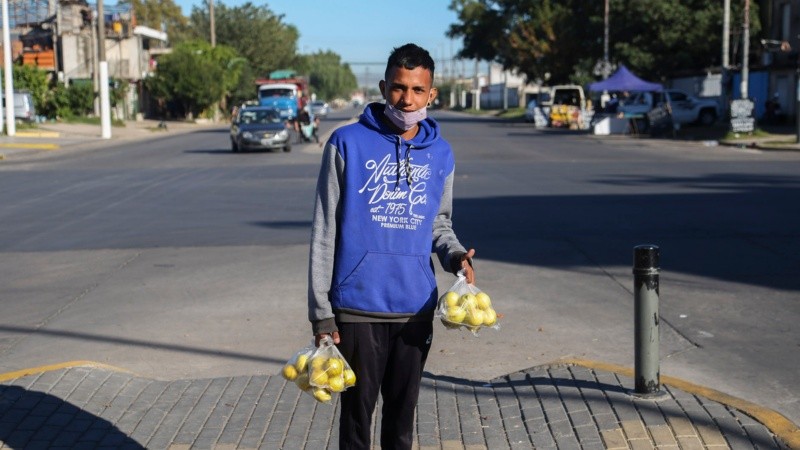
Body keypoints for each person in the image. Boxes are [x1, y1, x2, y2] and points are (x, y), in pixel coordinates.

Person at [307, 43, 475, 449]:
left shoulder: (441, 153)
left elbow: (439, 222)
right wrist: (321, 314)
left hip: (415, 308)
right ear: (384, 87)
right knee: (356, 425)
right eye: (399, 88)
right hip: (356, 308)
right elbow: (325, 228)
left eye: (418, 90)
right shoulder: (346, 142)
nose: (408, 99)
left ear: (432, 94)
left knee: (402, 424)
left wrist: (454, 256)